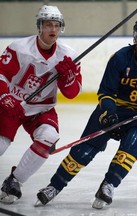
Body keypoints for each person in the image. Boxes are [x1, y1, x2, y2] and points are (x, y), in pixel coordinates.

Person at [36, 17, 137, 209]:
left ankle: (108, 185)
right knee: (83, 151)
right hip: (113, 110)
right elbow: (106, 92)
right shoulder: (120, 58)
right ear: (136, 37)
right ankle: (54, 186)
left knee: (132, 144)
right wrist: (109, 112)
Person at [0, 5, 82, 204]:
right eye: (48, 25)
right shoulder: (19, 48)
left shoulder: (68, 54)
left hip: (41, 109)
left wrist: (67, 78)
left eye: (56, 25)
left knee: (49, 137)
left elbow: (72, 93)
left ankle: (15, 181)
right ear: (40, 27)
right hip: (12, 106)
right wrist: (4, 96)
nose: (52, 30)